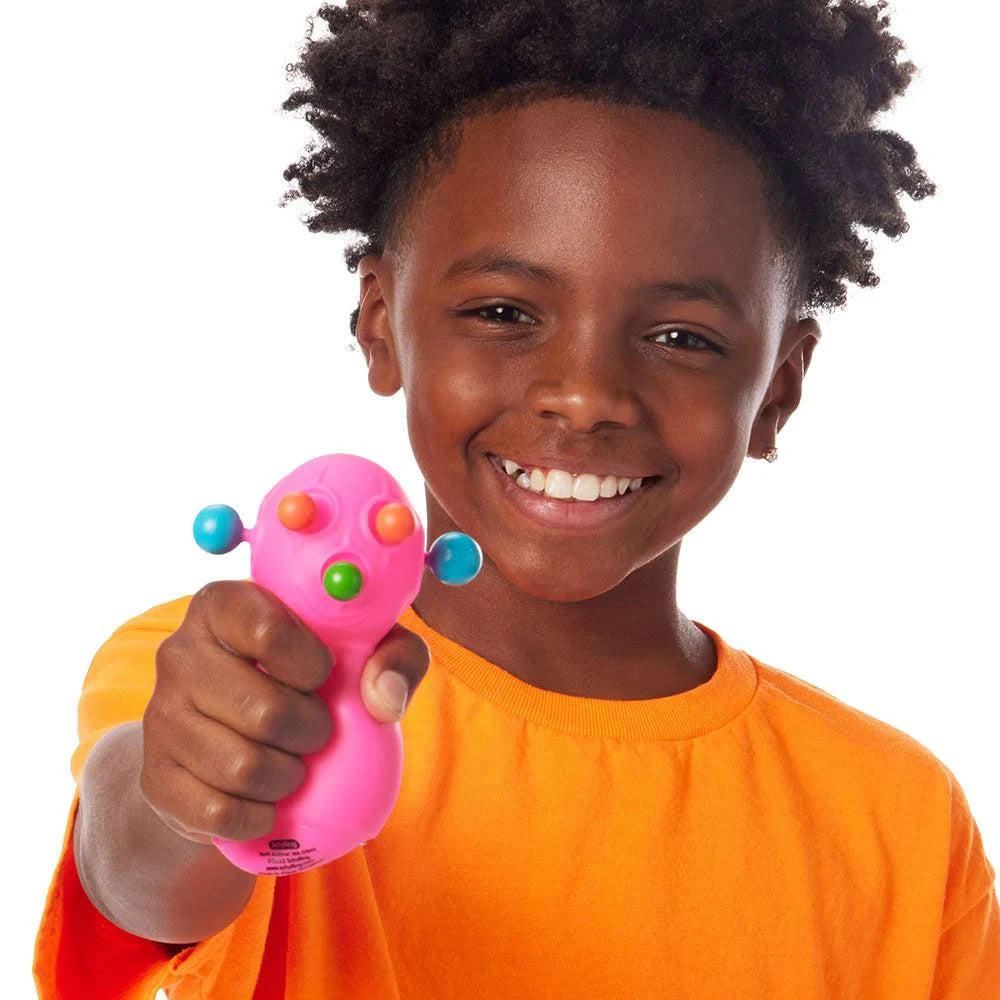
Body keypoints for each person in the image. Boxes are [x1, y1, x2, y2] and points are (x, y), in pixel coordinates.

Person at [33, 0, 999, 997]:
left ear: (779, 389)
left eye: (681, 337)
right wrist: (185, 793)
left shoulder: (901, 821)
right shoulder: (237, 677)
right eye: (503, 312)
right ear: (380, 325)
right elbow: (138, 875)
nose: (584, 395)